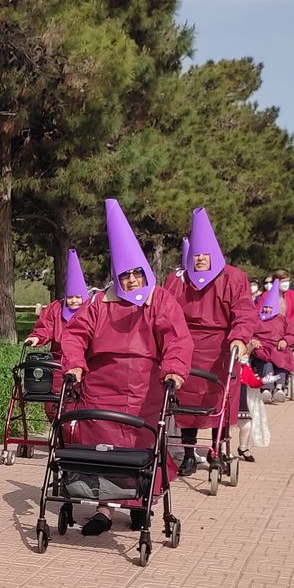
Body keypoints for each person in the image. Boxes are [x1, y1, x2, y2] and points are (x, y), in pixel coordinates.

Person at [60, 200, 193, 537]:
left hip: (144, 390)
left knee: (140, 446)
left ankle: (140, 502)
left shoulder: (161, 299)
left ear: (144, 271)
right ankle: (104, 509)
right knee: (102, 451)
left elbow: (177, 337)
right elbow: (74, 335)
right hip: (101, 388)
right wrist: (74, 365)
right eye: (125, 275)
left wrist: (175, 369)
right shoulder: (98, 303)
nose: (132, 280)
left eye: (136, 273)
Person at [163, 207, 259, 472]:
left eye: (205, 254)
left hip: (221, 348)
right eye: (197, 255)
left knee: (219, 399)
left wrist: (239, 338)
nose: (201, 259)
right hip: (185, 347)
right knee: (185, 402)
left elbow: (244, 311)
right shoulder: (177, 280)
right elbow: (165, 312)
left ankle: (217, 449)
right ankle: (189, 453)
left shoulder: (234, 278)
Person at [25, 249, 92, 356]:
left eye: (78, 297)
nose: (74, 300)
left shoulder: (92, 310)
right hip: (58, 359)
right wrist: (37, 337)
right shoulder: (55, 308)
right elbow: (45, 327)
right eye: (70, 297)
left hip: (86, 360)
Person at [252, 279, 294, 397]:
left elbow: (293, 334)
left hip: (279, 347)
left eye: (269, 307)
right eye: (265, 307)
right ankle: (267, 388)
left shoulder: (283, 319)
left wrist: (285, 340)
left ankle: (279, 387)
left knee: (282, 361)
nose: (267, 309)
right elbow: (248, 332)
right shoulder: (256, 319)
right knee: (266, 361)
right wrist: (253, 341)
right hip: (263, 348)